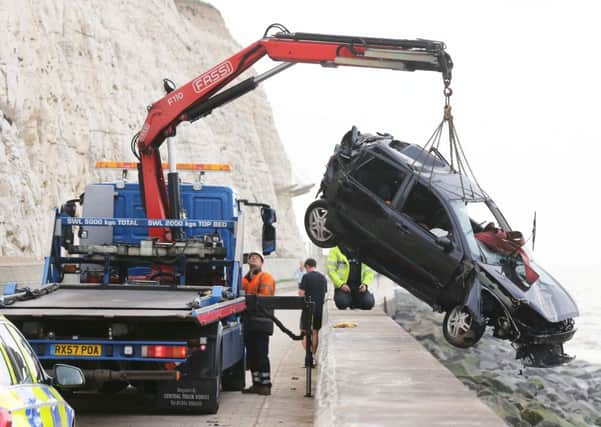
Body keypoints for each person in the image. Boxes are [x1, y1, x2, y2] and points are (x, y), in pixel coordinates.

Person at [241, 251, 276, 396]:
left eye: (257, 258)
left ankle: (266, 385)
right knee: (252, 355)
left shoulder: (265, 277)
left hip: (261, 321)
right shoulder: (244, 279)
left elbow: (264, 297)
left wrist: (246, 300)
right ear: (247, 262)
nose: (253, 259)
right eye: (251, 257)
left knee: (261, 354)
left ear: (262, 263)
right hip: (249, 323)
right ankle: (256, 384)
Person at [298, 258, 327, 365]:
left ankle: (308, 356)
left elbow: (301, 293)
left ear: (307, 266)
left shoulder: (306, 276)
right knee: (315, 332)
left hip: (307, 308)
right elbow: (325, 294)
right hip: (318, 309)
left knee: (305, 332)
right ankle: (314, 356)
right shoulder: (323, 277)